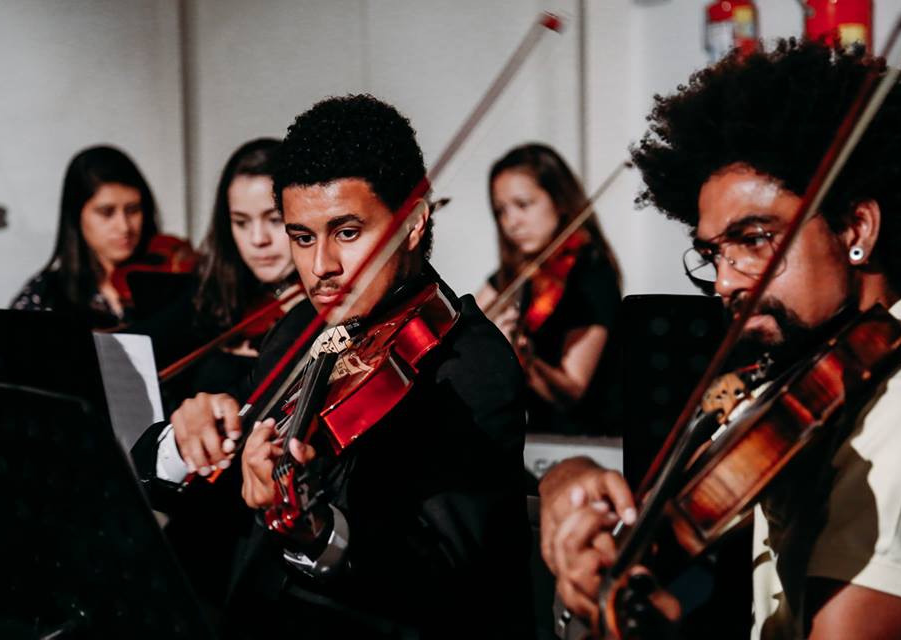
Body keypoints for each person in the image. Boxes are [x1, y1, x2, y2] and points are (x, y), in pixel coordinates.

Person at [541, 40, 901, 639]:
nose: (725, 281)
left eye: (754, 240)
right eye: (712, 254)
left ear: (856, 229)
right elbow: (660, 523)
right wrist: (566, 481)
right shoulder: (805, 378)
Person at [132, 94, 534, 639]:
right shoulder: (301, 329)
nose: (321, 267)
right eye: (302, 237)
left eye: (347, 232)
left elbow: (446, 586)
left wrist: (314, 533)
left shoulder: (472, 367)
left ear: (413, 223)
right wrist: (186, 444)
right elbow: (200, 504)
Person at [476, 143, 623, 437]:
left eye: (523, 204)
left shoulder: (591, 276)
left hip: (584, 441)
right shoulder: (514, 276)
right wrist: (484, 342)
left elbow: (573, 391)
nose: (510, 222)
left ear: (558, 200)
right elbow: (464, 329)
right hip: (527, 438)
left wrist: (528, 360)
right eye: (500, 211)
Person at [141, 138, 303, 396]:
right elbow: (140, 346)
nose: (258, 239)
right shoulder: (213, 292)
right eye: (241, 222)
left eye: (274, 219)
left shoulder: (322, 305)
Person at [10, 145, 164, 328]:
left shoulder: (170, 279)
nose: (124, 227)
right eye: (106, 212)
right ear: (77, 215)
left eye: (133, 210)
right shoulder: (46, 294)